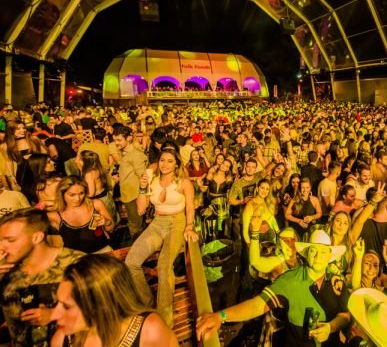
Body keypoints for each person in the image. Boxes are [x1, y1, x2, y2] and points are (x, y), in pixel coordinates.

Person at [196, 229, 350, 347]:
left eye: (323, 252)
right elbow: (258, 304)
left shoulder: (337, 281)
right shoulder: (289, 281)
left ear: (329, 256)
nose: (317, 256)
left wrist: (330, 327)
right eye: (313, 250)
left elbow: (345, 315)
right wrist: (220, 316)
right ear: (307, 254)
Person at [125, 148, 199, 327]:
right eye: (162, 160)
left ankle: (165, 317)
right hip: (157, 223)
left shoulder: (183, 183)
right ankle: (148, 303)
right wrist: (143, 187)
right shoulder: (152, 181)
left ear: (177, 164)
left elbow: (190, 206)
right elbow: (141, 209)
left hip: (177, 222)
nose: (165, 164)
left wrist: (189, 226)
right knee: (131, 262)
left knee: (164, 265)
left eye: (170, 161)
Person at [50, 254, 178, 347]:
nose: (54, 315)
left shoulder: (150, 331)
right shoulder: (60, 340)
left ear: (100, 305)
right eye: (57, 303)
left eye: (67, 306)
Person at [0, 208, 85, 347]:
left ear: (37, 237)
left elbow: (105, 309)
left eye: (10, 240)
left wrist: (55, 314)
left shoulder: (77, 263)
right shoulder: (4, 271)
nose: (2, 247)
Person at [49, 176, 114, 254]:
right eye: (72, 195)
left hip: (103, 251)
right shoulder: (55, 215)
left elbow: (111, 228)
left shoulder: (95, 204)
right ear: (62, 194)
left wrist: (106, 222)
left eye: (81, 193)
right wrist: (44, 204)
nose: (78, 198)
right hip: (77, 258)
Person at [113, 125, 148, 239]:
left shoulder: (135, 154)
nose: (116, 143)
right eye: (115, 140)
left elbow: (143, 177)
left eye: (119, 140)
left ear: (128, 138)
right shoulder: (124, 152)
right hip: (128, 195)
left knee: (135, 225)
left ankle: (138, 246)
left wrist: (142, 197)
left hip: (134, 196)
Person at [76, 150, 118, 226]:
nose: (76, 161)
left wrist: (80, 196)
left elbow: (91, 193)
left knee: (107, 224)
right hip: (106, 197)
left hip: (101, 201)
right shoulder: (97, 169)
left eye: (79, 159)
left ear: (85, 162)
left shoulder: (88, 174)